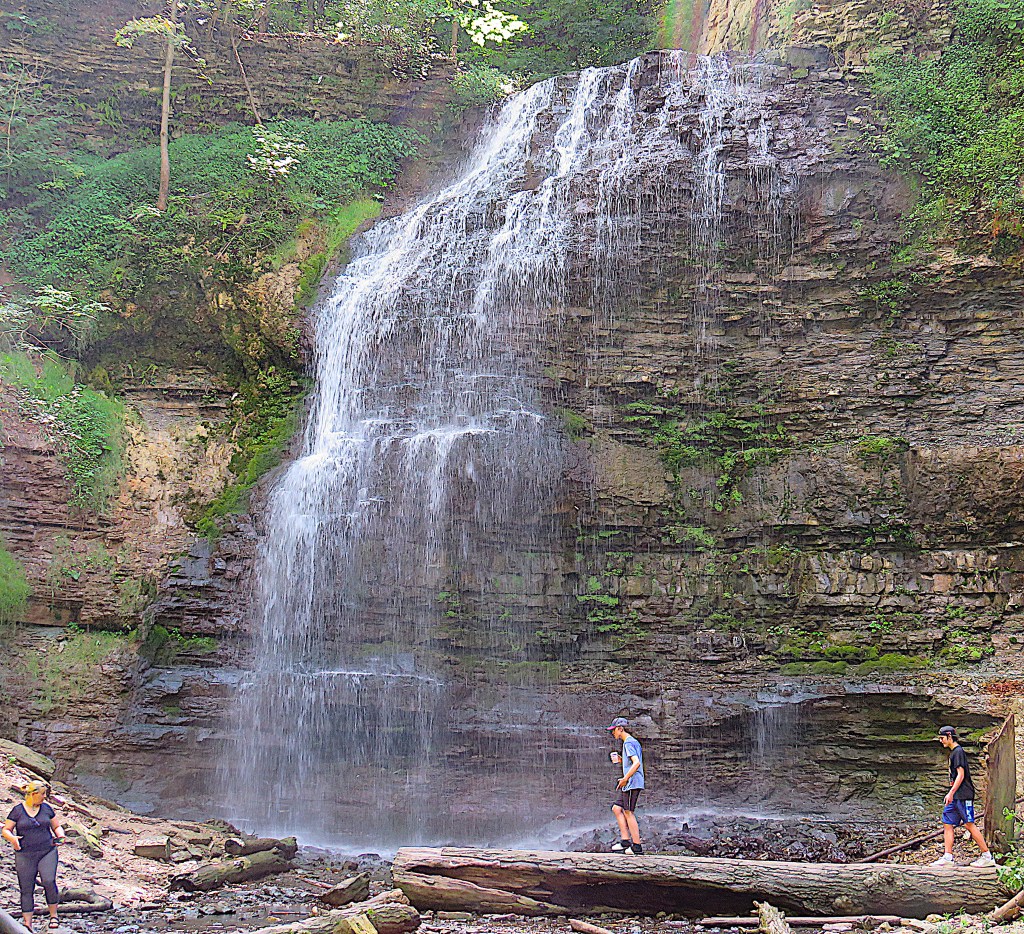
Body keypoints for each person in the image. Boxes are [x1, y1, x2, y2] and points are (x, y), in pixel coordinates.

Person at [2, 780, 65, 929]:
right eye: (42, 794)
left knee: (48, 881)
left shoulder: (46, 809)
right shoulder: (17, 810)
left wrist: (60, 836)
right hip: (24, 854)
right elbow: (6, 830)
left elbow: (56, 826)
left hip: (47, 851)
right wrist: (13, 839)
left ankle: (54, 916)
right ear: (34, 794)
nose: (44, 797)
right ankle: (27, 923)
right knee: (26, 887)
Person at [930, 725, 995, 868]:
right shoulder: (953, 753)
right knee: (947, 822)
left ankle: (987, 856)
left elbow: (961, 774)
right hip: (956, 796)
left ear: (949, 736)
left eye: (942, 738)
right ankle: (948, 857)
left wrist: (951, 792)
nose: (941, 741)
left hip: (964, 794)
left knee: (968, 823)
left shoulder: (958, 751)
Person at [606, 717, 645, 855]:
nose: (613, 733)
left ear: (620, 729)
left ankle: (637, 847)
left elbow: (637, 763)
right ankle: (625, 841)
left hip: (632, 783)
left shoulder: (628, 743)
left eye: (614, 730)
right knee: (617, 808)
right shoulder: (632, 742)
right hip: (631, 783)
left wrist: (625, 779)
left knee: (628, 812)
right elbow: (632, 761)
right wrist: (621, 760)